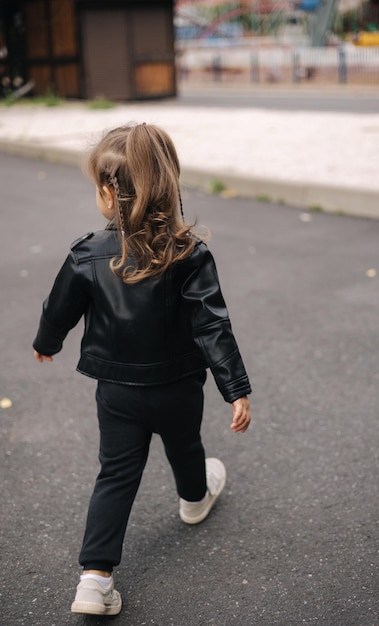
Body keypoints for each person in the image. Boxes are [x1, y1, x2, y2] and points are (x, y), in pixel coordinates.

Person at [33, 123, 252, 617]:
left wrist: (46, 344)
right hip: (178, 387)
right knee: (185, 445)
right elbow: (213, 326)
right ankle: (195, 499)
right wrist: (235, 389)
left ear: (109, 195)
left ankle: (94, 579)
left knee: (116, 474)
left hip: (118, 392)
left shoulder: (87, 253)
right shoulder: (189, 253)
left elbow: (58, 310)